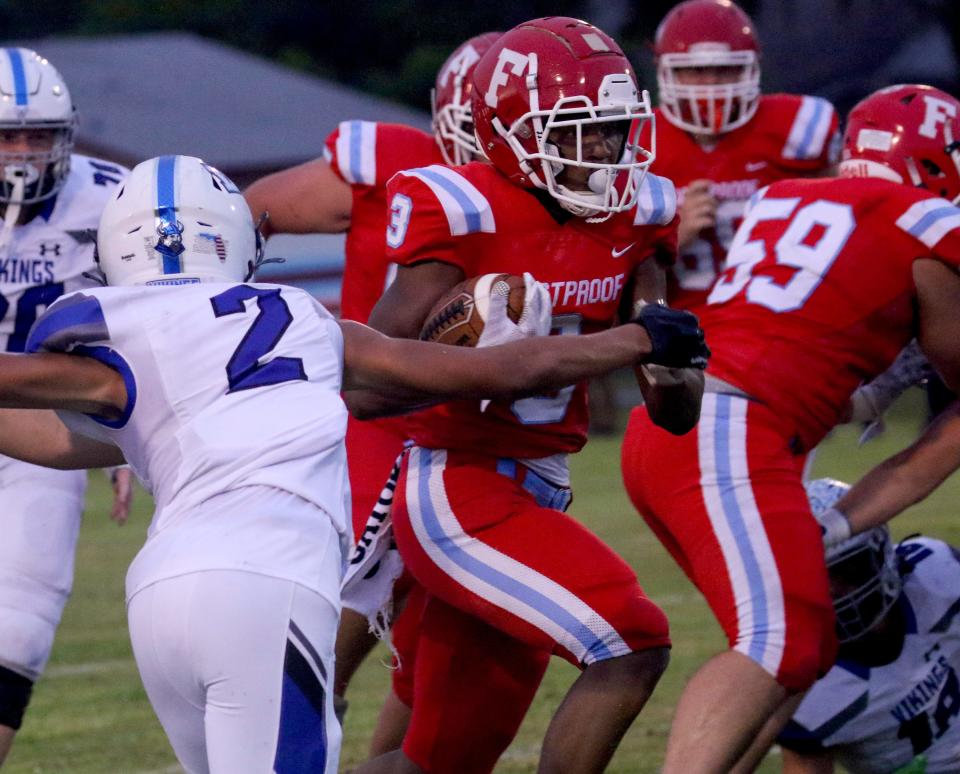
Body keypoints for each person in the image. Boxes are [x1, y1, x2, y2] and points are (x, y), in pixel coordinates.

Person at [0, 153, 707, 774]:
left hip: (157, 599)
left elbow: (54, 438)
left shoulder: (120, 340)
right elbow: (504, 370)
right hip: (263, 584)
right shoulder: (302, 318)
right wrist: (637, 341)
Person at [352, 17, 707, 774]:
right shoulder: (464, 209)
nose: (607, 154)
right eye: (581, 133)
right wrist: (482, 353)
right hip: (459, 489)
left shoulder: (639, 217)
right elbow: (367, 382)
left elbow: (673, 411)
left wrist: (676, 369)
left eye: (615, 132)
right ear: (511, 133)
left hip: (542, 486)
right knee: (632, 640)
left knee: (440, 761)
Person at [621, 82, 960, 773]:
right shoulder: (927, 223)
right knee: (778, 643)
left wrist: (839, 518)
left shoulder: (787, 197)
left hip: (678, 424)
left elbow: (819, 357)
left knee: (800, 651)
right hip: (732, 429)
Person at [243, 34, 501, 751]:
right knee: (328, 646)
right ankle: (279, 752)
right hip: (372, 427)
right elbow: (243, 216)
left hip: (473, 439)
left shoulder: (554, 197)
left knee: (434, 656)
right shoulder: (392, 161)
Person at [0, 47, 132, 765]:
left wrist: (128, 432)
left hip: (49, 427)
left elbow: (156, 320)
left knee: (16, 632)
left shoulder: (111, 199)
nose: (22, 153)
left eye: (37, 135)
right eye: (7, 136)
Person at [638, 0, 840, 311]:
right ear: (665, 72)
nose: (711, 85)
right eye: (694, 71)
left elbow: (848, 227)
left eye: (725, 69)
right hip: (685, 323)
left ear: (752, 68)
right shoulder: (639, 143)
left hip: (781, 314)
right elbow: (613, 273)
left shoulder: (799, 128)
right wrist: (672, 237)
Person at [776, 479, 960, 774]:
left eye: (847, 570)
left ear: (881, 552)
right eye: (816, 579)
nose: (837, 593)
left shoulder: (937, 575)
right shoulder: (808, 693)